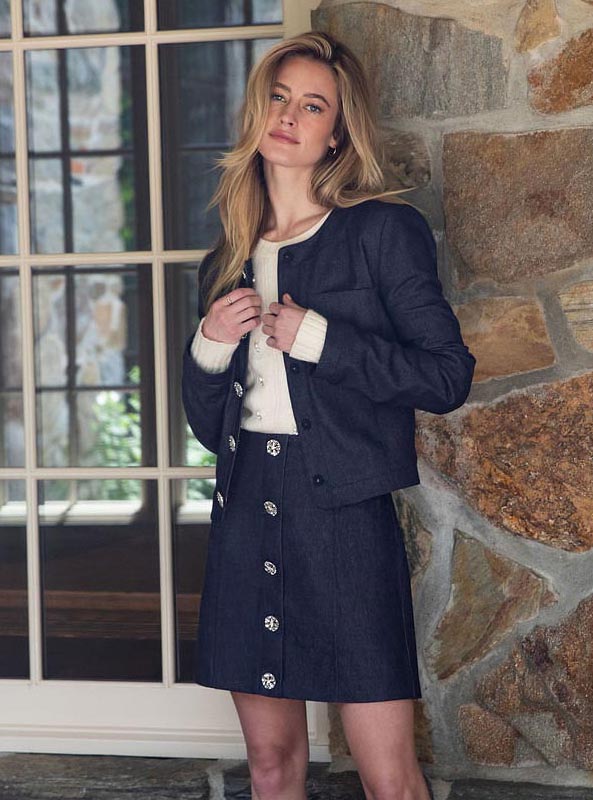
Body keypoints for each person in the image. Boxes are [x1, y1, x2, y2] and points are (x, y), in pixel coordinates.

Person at [182, 30, 475, 800]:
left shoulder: (382, 233)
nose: (289, 116)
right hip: (247, 514)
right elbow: (211, 427)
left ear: (336, 132)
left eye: (312, 106)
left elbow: (446, 377)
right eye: (278, 98)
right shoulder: (226, 256)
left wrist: (319, 339)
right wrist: (210, 345)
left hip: (344, 518)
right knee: (272, 768)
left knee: (388, 777)